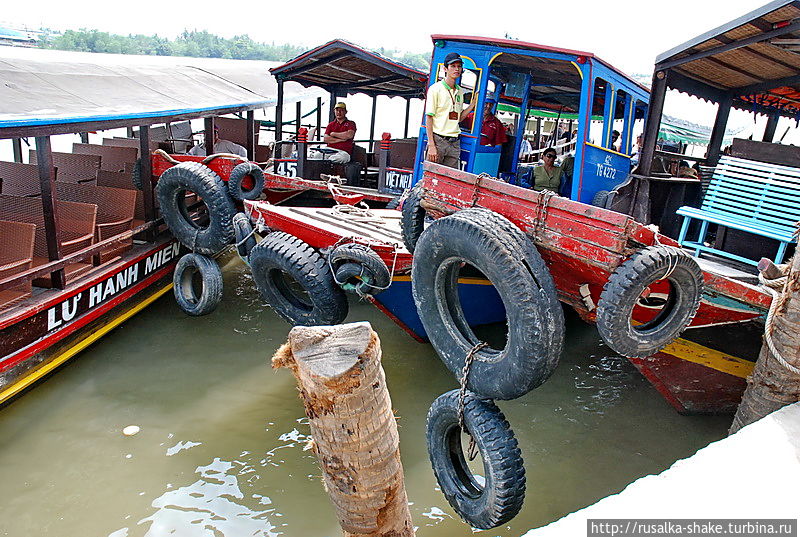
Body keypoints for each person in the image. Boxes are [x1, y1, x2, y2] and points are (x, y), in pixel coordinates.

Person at [425, 52, 476, 168]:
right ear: (445, 69)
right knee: (431, 177)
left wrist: (472, 105)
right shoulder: (435, 89)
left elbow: (459, 118)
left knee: (450, 180)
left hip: (455, 143)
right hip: (438, 140)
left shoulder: (460, 91)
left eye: (459, 66)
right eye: (453, 66)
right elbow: (429, 117)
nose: (456, 69)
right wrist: (431, 145)